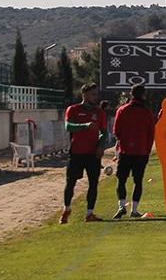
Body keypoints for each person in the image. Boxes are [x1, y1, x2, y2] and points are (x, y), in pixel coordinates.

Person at [60, 83, 107, 224]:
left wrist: (101, 146)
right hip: (76, 152)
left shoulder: (100, 113)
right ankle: (66, 209)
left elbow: (104, 132)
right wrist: (84, 126)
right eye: (92, 94)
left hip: (93, 154)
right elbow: (68, 126)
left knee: (93, 183)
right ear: (84, 94)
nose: (95, 97)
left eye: (96, 94)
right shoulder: (73, 109)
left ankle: (89, 213)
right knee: (70, 183)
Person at [112, 84, 156, 219]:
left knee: (121, 180)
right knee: (138, 181)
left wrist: (122, 143)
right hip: (141, 151)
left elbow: (116, 131)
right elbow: (151, 134)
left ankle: (121, 206)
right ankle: (134, 209)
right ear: (143, 95)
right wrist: (147, 150)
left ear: (131, 94)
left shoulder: (122, 110)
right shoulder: (147, 112)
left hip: (125, 151)